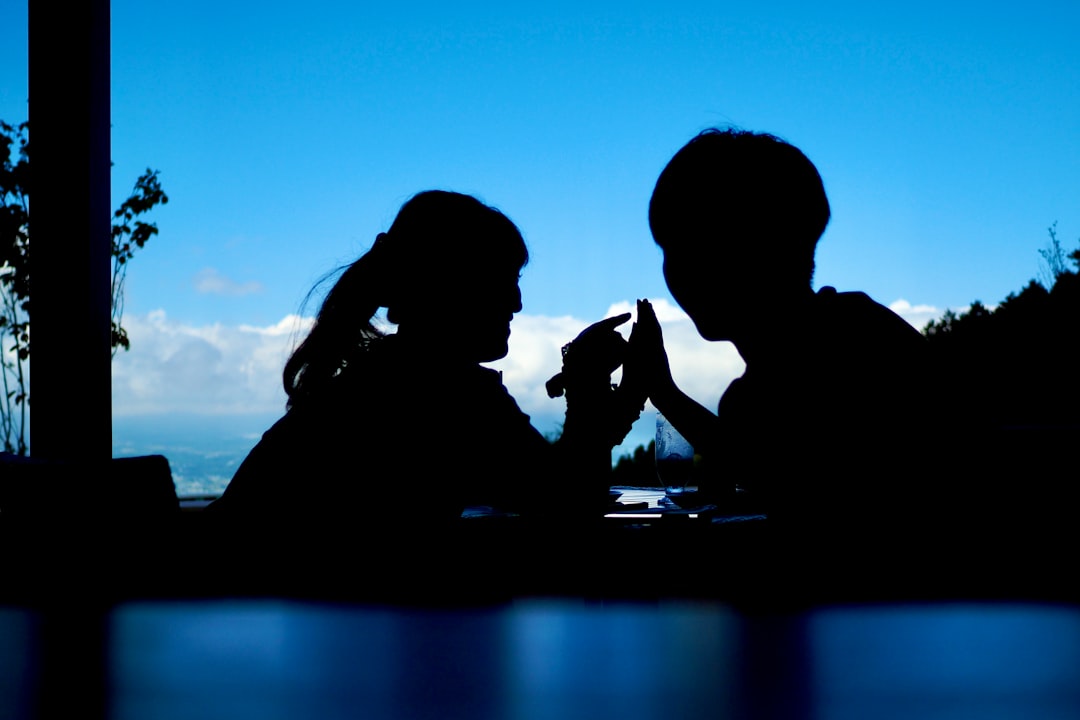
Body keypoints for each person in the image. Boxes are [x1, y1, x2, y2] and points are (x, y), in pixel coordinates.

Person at [210, 190, 643, 528]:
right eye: (503, 280)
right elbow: (570, 501)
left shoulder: (382, 375)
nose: (517, 302)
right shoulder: (451, 392)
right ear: (453, 285)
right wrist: (586, 382)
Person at [632, 128, 938, 541]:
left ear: (767, 249)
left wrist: (662, 390)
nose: (684, 271)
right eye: (674, 250)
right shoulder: (855, 331)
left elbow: (779, 469)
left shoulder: (859, 345)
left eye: (707, 245)